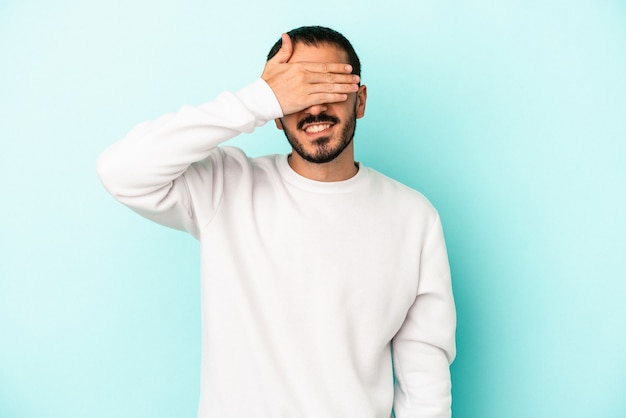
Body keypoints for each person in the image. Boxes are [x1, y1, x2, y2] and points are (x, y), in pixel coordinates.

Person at [97, 25, 456, 418]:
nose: (314, 106)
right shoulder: (225, 187)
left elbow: (425, 377)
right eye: (299, 91)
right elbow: (121, 170)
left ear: (361, 100)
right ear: (276, 114)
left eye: (330, 86)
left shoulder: (413, 216)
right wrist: (258, 99)